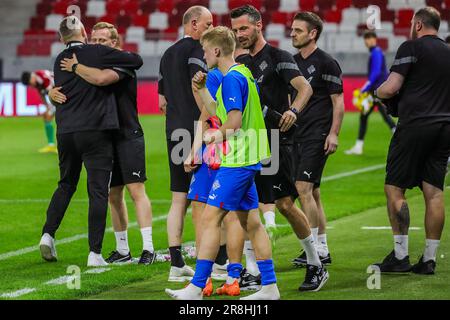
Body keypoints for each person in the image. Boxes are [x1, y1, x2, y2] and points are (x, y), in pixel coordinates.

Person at [166, 26, 279, 300]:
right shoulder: (241, 72)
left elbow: (234, 122)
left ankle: (196, 286)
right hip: (247, 156)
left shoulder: (230, 79)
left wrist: (213, 136)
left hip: (238, 159)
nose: (203, 55)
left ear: (216, 50)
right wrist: (204, 90)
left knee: (209, 218)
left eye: (205, 50)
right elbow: (217, 110)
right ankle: (270, 287)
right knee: (251, 221)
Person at [230, 5, 328, 292]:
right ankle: (255, 272)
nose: (240, 35)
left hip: (276, 142)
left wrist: (293, 112)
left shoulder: (278, 57)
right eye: (235, 30)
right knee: (247, 206)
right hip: (249, 144)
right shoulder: (238, 62)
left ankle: (315, 264)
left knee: (285, 204)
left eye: (244, 28)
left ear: (258, 25)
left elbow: (305, 89)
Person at [38, 16, 143, 267]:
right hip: (95, 131)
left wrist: (53, 94)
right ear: (84, 32)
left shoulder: (58, 60)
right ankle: (94, 253)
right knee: (97, 191)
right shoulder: (98, 52)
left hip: (65, 132)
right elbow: (136, 60)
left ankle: (48, 234)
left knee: (65, 184)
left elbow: (61, 91)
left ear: (61, 38)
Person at [372, 7, 450, 275]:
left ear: (418, 24)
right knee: (435, 192)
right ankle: (429, 259)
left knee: (394, 189)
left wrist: (377, 92)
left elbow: (391, 87)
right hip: (445, 127)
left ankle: (401, 255)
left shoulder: (411, 47)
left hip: (415, 125)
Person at [158, 5, 213, 281]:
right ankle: (215, 260)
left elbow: (162, 100)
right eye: (207, 24)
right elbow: (198, 85)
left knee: (179, 198)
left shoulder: (167, 54)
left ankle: (176, 263)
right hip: (196, 132)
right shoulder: (195, 50)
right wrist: (207, 118)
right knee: (206, 198)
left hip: (174, 131)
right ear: (193, 24)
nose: (210, 29)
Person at [290, 12, 345, 267]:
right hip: (297, 135)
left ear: (312, 34)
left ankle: (312, 251)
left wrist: (334, 133)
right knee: (314, 192)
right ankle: (322, 247)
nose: (292, 33)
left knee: (303, 189)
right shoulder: (290, 62)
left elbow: (339, 102)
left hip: (318, 134)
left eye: (298, 30)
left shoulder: (327, 62)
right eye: (292, 29)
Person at [345, 30, 396, 155]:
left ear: (374, 39)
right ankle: (358, 146)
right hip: (375, 90)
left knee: (380, 116)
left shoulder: (376, 53)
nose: (367, 42)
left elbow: (376, 73)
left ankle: (401, 137)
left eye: (369, 39)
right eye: (366, 39)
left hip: (377, 90)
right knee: (367, 116)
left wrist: (364, 88)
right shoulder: (376, 52)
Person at [21, 70, 57, 154]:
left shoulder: (41, 76)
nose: (31, 85)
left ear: (32, 77)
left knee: (50, 117)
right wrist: (47, 106)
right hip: (55, 95)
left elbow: (51, 88)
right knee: (46, 117)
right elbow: (42, 94)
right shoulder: (37, 81)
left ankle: (57, 146)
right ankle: (51, 145)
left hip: (62, 93)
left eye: (30, 83)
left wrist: (51, 106)